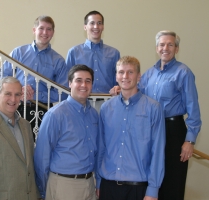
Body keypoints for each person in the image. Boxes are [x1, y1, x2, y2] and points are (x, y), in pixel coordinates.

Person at [138, 31, 202, 200]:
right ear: (156, 48)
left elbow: (194, 110)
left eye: (170, 44)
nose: (165, 48)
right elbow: (136, 95)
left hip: (173, 131)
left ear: (177, 48)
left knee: (173, 183)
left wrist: (189, 140)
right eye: (162, 44)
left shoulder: (184, 72)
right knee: (151, 180)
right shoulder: (149, 74)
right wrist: (118, 89)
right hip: (151, 130)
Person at [96, 56, 165, 200]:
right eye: (121, 72)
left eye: (130, 72)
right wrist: (98, 182)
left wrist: (153, 189)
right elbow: (101, 147)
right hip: (108, 186)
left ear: (139, 76)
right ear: (116, 76)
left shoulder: (153, 108)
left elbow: (157, 151)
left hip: (138, 188)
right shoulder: (106, 108)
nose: (125, 76)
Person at [34, 65, 98, 200]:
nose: (83, 85)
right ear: (70, 83)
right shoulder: (55, 114)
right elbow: (42, 157)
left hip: (89, 183)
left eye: (88, 81)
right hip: (64, 184)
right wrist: (46, 188)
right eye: (78, 80)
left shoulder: (94, 115)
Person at [0, 15, 68, 138]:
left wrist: (34, 94)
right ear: (34, 30)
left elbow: (63, 92)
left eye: (49, 29)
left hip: (43, 111)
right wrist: (19, 91)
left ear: (53, 33)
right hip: (16, 106)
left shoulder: (59, 61)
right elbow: (3, 77)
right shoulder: (18, 52)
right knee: (14, 146)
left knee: (38, 151)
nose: (45, 32)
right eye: (41, 28)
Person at [65, 10, 120, 111]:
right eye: (92, 23)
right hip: (81, 103)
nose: (96, 26)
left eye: (99, 23)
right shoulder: (74, 52)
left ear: (103, 27)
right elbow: (67, 81)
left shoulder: (114, 53)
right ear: (85, 27)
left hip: (108, 103)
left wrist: (118, 88)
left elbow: (118, 80)